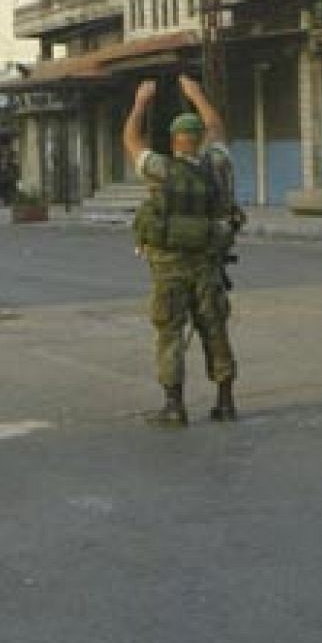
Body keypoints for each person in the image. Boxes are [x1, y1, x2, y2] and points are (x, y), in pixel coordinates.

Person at [123, 75, 239, 428]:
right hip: (207, 264)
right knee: (214, 328)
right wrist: (197, 95)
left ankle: (174, 406)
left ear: (175, 141)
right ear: (200, 139)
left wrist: (141, 101)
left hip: (169, 267)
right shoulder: (216, 165)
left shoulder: (160, 169)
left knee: (169, 332)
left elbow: (131, 139)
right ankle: (225, 402)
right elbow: (217, 128)